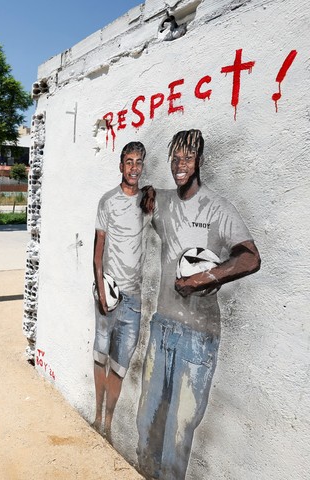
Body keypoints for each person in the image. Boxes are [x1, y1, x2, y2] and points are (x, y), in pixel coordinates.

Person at [136, 129, 261, 479]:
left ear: (199, 161)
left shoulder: (218, 208)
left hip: (199, 336)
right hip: (162, 327)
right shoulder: (162, 201)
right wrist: (144, 194)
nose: (180, 164)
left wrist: (201, 279)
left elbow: (250, 258)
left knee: (179, 431)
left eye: (187, 157)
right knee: (147, 419)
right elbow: (143, 197)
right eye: (175, 157)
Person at [92, 141, 150, 443]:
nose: (134, 167)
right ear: (120, 165)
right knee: (101, 355)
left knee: (120, 366)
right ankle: (97, 414)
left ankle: (109, 423)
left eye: (139, 162)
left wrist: (151, 194)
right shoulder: (108, 201)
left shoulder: (147, 201)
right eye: (129, 161)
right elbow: (97, 253)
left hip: (135, 298)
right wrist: (102, 292)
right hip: (110, 293)